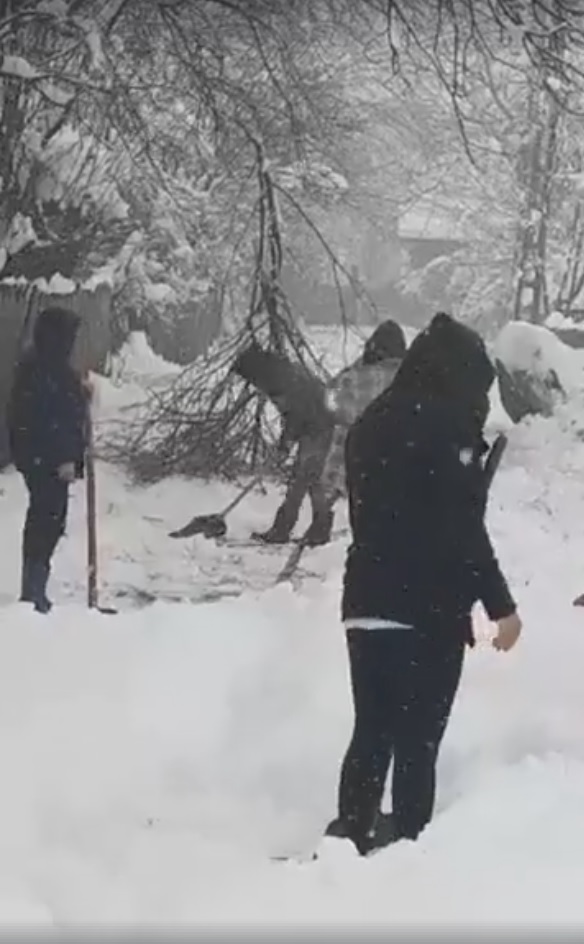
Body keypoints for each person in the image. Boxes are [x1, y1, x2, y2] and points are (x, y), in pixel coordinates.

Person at [325, 312, 522, 857]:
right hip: (426, 612)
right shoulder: (446, 426)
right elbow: (462, 529)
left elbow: (375, 513)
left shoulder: (370, 424)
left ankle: (351, 838)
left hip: (365, 604)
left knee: (372, 731)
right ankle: (410, 851)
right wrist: (501, 607)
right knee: (418, 743)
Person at [7, 306, 88, 613]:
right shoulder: (44, 371)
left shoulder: (44, 367)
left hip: (42, 459)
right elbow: (50, 420)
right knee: (46, 521)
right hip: (46, 461)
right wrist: (65, 458)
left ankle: (35, 589)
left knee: (48, 521)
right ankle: (33, 592)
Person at [231, 341, 335, 546]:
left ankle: (286, 530)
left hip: (318, 427)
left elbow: (296, 413)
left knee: (302, 479)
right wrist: (286, 441)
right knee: (310, 478)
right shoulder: (281, 372)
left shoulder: (277, 380)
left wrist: (285, 443)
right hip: (319, 424)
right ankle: (317, 529)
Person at [321, 320, 407, 507]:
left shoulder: (355, 379)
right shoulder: (413, 379)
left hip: (363, 469)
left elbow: (332, 401)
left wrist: (359, 364)